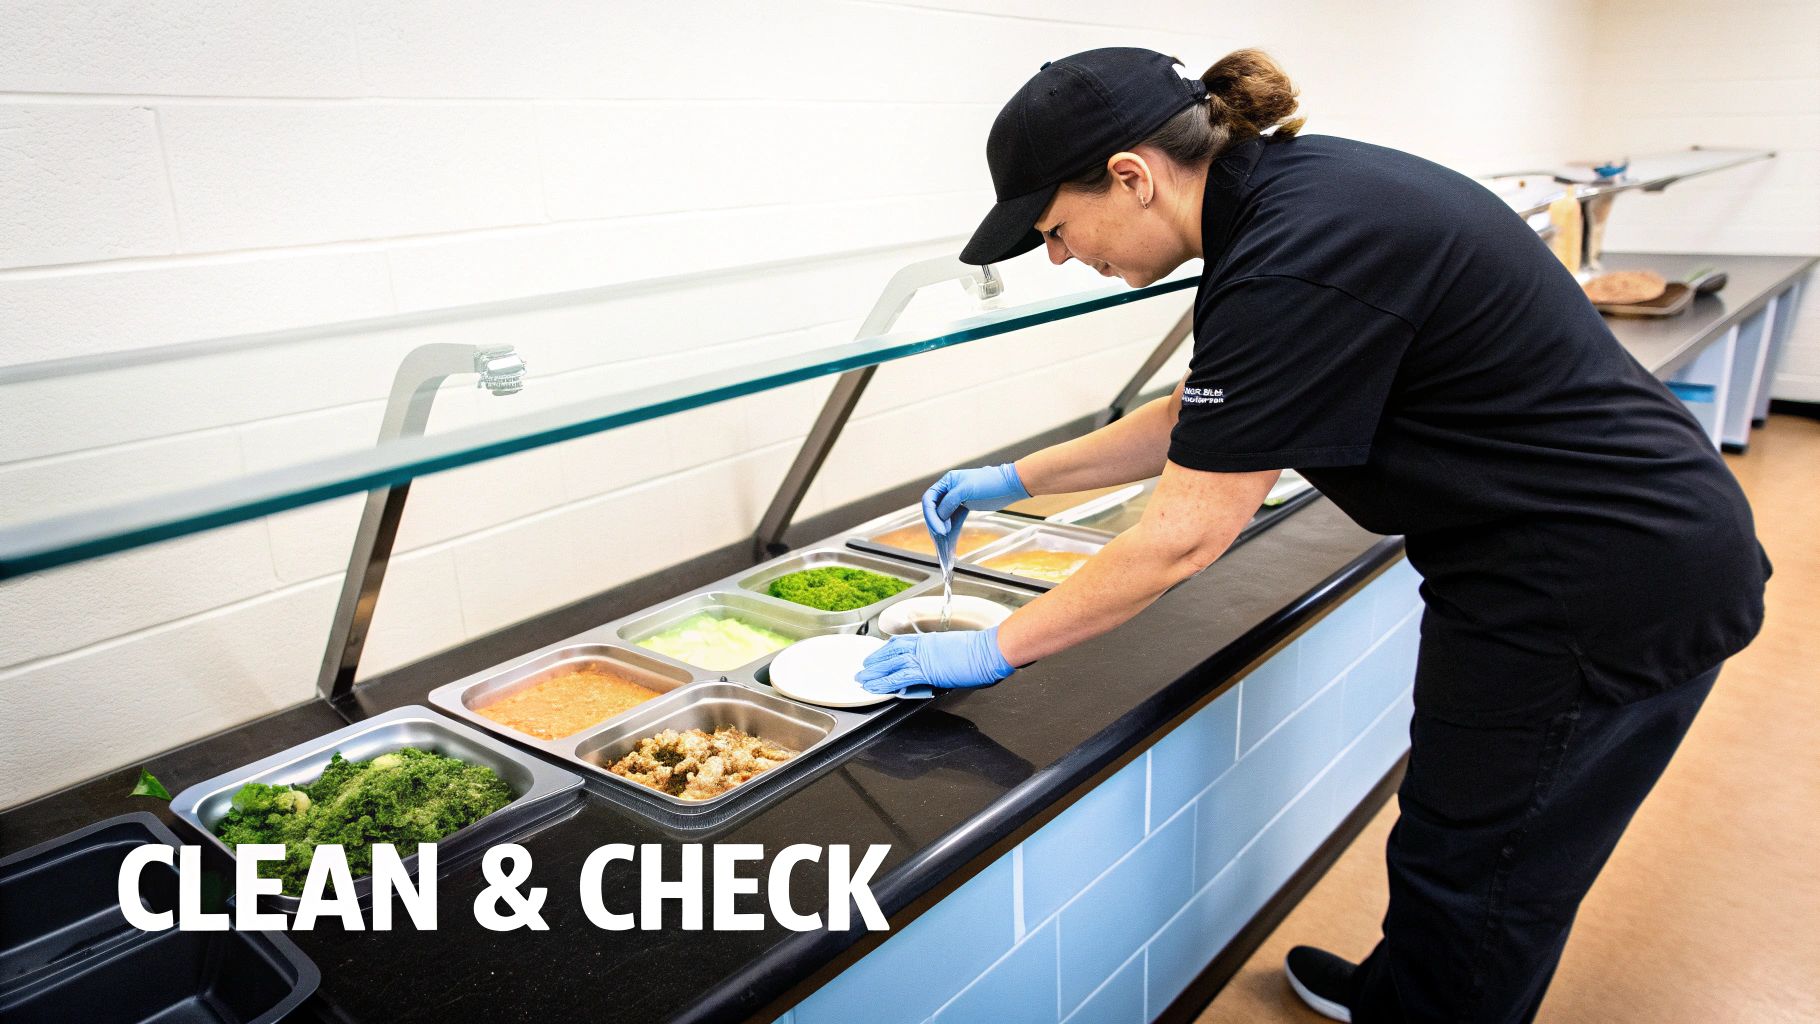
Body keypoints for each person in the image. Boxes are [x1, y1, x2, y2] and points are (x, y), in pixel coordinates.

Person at [854, 47, 1770, 1023]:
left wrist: (994, 648)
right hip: (1565, 547)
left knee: (1484, 877)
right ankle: (1396, 992)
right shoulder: (1289, 198)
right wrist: (1016, 476)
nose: (1058, 256)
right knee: (1448, 840)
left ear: (1130, 175)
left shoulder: (1294, 251)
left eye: (1054, 229)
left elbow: (1180, 539)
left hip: (1593, 583)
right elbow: (1199, 416)